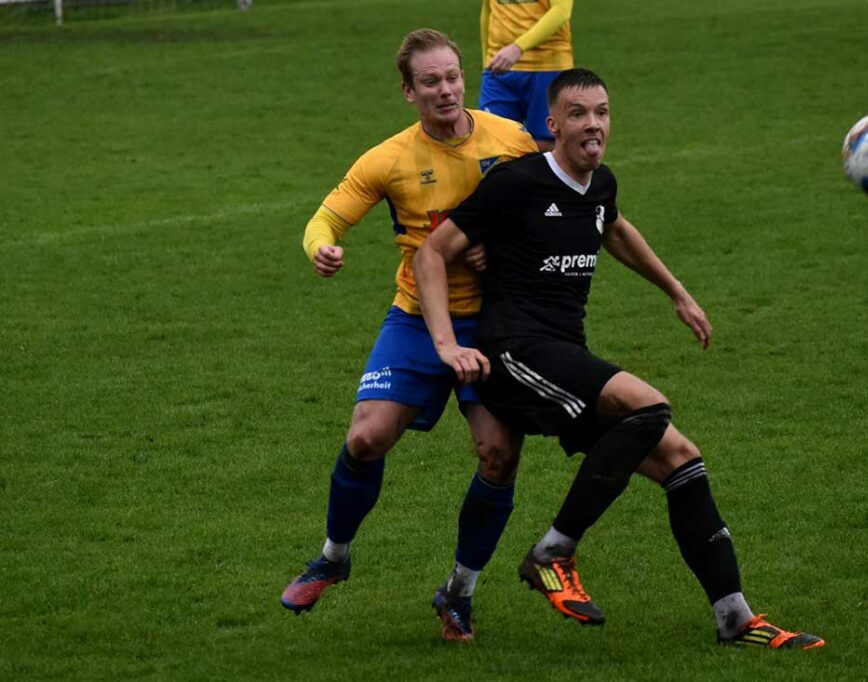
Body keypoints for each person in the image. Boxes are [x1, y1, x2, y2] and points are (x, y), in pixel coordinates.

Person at [414, 68, 826, 650]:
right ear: (552, 124)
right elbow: (431, 254)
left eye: (602, 112)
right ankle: (553, 551)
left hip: (563, 355)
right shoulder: (518, 183)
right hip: (514, 354)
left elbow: (614, 230)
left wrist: (677, 293)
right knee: (648, 405)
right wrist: (445, 345)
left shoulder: (600, 184)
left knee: (682, 458)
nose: (593, 124)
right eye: (579, 114)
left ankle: (736, 618)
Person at [280, 28, 537, 643]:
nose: (445, 89)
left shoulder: (513, 141)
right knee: (366, 438)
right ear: (408, 92)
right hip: (418, 319)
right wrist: (322, 247)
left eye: (452, 75)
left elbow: (550, 220)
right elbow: (326, 215)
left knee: (498, 456)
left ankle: (459, 593)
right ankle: (334, 557)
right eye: (430, 81)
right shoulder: (389, 159)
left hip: (498, 323)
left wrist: (499, 251)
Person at [480, 0, 573, 151]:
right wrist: (487, 61)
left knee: (546, 145)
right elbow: (488, 10)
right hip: (499, 67)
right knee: (493, 142)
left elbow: (561, 12)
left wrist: (519, 47)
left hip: (548, 66)